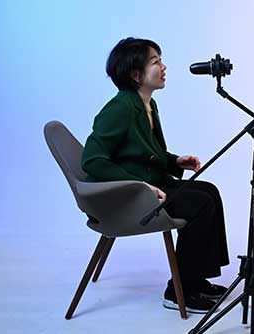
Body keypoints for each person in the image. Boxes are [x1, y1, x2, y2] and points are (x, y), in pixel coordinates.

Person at [81, 37, 230, 314]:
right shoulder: (120, 108)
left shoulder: (147, 104)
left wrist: (175, 161)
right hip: (129, 198)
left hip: (151, 186)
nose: (163, 67)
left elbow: (143, 152)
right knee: (200, 203)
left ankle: (195, 279)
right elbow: (92, 160)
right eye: (155, 61)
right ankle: (179, 290)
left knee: (208, 191)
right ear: (135, 74)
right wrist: (139, 186)